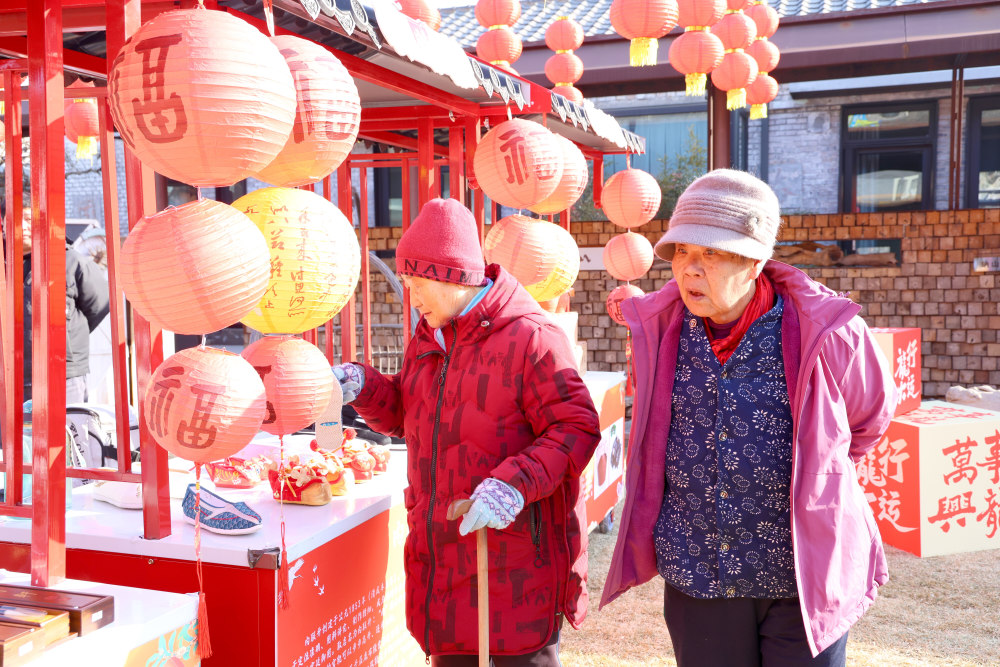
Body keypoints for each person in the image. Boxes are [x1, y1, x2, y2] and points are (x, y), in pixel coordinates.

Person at [600, 170, 897, 667]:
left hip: (801, 573)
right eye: (681, 252)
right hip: (699, 568)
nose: (690, 270)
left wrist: (818, 475)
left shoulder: (828, 331)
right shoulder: (661, 327)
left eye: (711, 253)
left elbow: (868, 419)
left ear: (756, 260)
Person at [333, 198, 600, 666]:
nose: (412, 297)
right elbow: (406, 414)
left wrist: (513, 485)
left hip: (516, 560)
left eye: (416, 284)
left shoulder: (531, 337)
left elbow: (575, 426)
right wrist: (364, 386)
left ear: (450, 277)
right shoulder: (430, 334)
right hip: (442, 557)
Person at [2, 202, 110, 404]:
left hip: (63, 373)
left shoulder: (71, 261)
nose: (23, 226)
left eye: (28, 219)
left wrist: (69, 334)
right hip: (9, 375)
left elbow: (99, 305)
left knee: (69, 423)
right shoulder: (3, 264)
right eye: (14, 220)